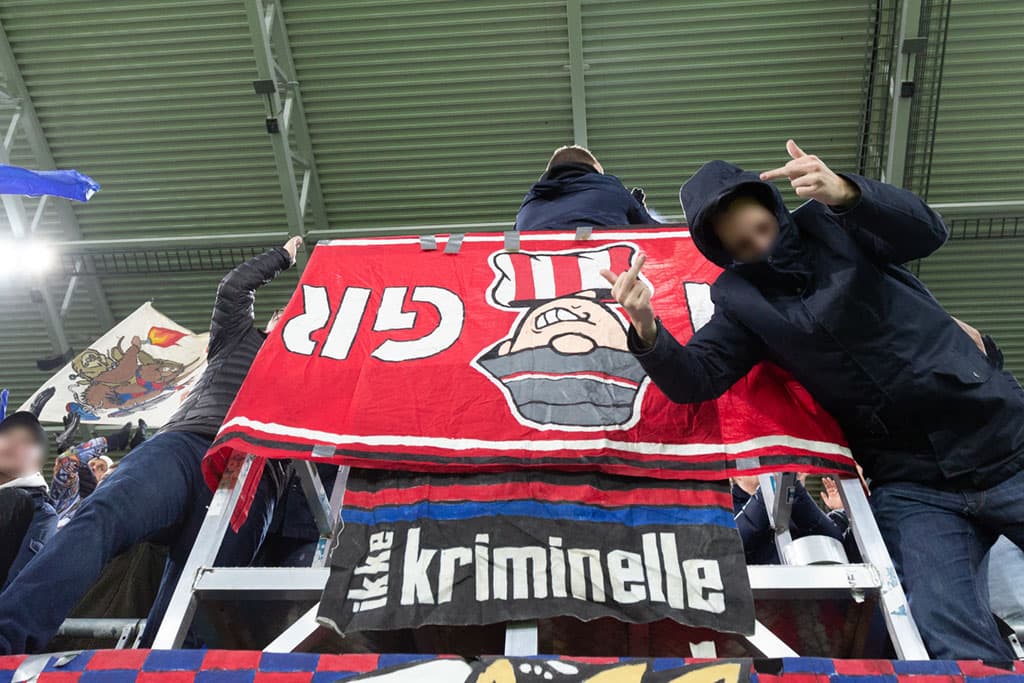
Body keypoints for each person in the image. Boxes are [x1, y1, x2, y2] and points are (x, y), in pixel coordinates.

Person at [601, 140, 1024, 660]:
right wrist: (646, 329)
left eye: (762, 229)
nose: (759, 246)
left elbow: (927, 231)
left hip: (1003, 439)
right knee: (947, 632)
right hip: (911, 484)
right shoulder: (739, 301)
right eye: (742, 246)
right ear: (723, 253)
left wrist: (847, 192)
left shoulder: (835, 222)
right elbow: (696, 379)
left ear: (775, 208)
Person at [0, 236, 303, 654]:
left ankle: (158, 668)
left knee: (197, 596)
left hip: (255, 479)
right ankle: (7, 635)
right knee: (102, 516)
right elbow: (234, 288)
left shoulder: (319, 377)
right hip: (185, 445)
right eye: (291, 314)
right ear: (272, 321)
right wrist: (282, 257)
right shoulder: (237, 337)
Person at [515, 145, 658, 232]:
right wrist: (639, 208)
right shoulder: (609, 186)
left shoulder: (528, 203)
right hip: (601, 268)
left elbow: (511, 243)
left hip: (540, 272)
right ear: (592, 170)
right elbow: (655, 233)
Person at [731, 474, 847, 565]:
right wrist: (764, 496)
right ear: (738, 475)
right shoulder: (723, 505)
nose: (766, 466)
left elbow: (834, 542)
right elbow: (728, 547)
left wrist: (841, 510)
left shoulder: (792, 496)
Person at [0, 411, 56, 589]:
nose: (13, 443)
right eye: (6, 435)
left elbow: (15, 587)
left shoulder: (41, 513)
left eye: (26, 441)